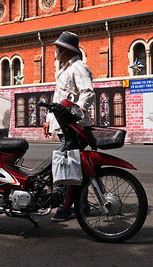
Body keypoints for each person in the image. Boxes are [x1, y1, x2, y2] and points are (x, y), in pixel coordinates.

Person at [43, 31, 95, 222]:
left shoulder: (78, 67)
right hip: (65, 127)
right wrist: (49, 119)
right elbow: (58, 99)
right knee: (74, 167)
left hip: (75, 128)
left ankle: (64, 208)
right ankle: (82, 205)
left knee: (66, 168)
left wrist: (77, 111)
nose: (55, 51)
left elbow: (87, 93)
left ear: (65, 50)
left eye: (58, 48)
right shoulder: (66, 69)